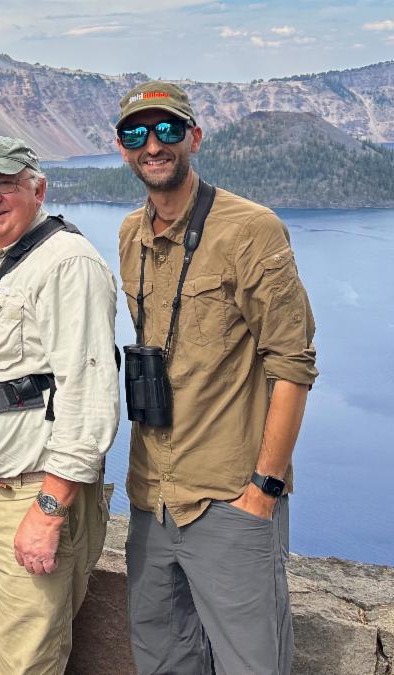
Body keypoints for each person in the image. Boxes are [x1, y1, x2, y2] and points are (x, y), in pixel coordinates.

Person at [114, 81, 317, 675]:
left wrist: (263, 491)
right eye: (137, 134)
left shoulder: (251, 229)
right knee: (161, 661)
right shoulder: (130, 235)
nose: (153, 145)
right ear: (123, 148)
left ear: (194, 138)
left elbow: (292, 365)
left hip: (229, 499)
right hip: (151, 498)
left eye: (168, 129)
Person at [0, 137, 119, 674]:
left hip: (29, 495)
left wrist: (48, 511)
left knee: (25, 663)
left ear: (38, 190)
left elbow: (88, 394)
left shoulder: (67, 264)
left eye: (6, 185)